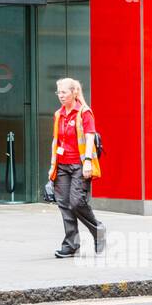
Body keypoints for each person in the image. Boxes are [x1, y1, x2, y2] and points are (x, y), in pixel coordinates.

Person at [48, 77, 107, 258]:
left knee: (76, 202)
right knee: (64, 205)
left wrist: (88, 160)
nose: (60, 95)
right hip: (62, 165)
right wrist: (52, 167)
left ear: (74, 92)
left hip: (79, 165)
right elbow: (55, 141)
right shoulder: (58, 114)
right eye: (59, 92)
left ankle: (98, 230)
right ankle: (71, 244)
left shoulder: (84, 112)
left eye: (64, 92)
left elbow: (89, 137)